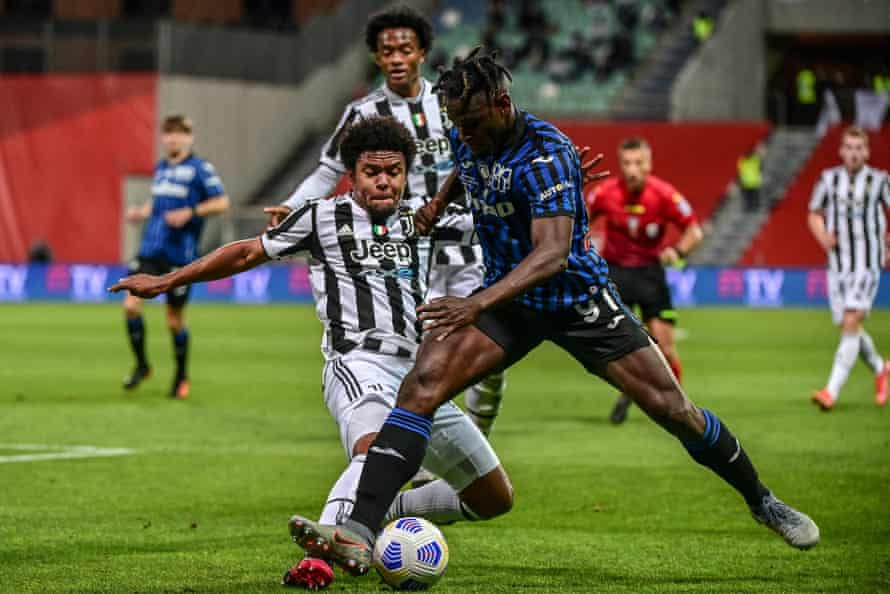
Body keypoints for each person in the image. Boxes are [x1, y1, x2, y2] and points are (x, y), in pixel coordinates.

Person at [284, 48, 820, 577]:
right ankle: (359, 530)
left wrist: (473, 304)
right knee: (421, 385)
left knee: (673, 409)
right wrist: (436, 206)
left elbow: (551, 256)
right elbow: (464, 167)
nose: (462, 134)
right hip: (511, 304)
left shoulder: (546, 154)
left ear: (501, 101)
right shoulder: (468, 132)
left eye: (470, 123)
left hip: (575, 302)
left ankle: (763, 500)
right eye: (455, 125)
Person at [110, 116, 514, 590]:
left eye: (394, 171)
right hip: (357, 363)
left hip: (421, 376)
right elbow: (245, 253)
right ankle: (320, 559)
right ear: (352, 174)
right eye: (371, 171)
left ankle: (389, 504)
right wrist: (168, 279)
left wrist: (557, 188)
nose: (384, 181)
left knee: (493, 497)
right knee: (372, 449)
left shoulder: (421, 218)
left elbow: (502, 218)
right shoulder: (321, 217)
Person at [263, 4, 507, 439]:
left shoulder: (449, 102)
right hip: (412, 250)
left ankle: (476, 438)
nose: (395, 58)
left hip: (471, 246)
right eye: (386, 50)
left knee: (487, 358)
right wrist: (293, 205)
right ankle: (413, 450)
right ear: (376, 57)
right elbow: (328, 170)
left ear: (422, 52)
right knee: (425, 358)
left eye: (404, 49)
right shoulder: (363, 113)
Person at [585, 137, 704, 424]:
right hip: (616, 275)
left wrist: (677, 251)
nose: (632, 169)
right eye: (626, 163)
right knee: (618, 350)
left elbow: (694, 232)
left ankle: (676, 404)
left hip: (650, 274)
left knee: (664, 346)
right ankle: (632, 391)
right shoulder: (604, 193)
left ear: (649, 164)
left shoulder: (664, 195)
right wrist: (585, 249)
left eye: (638, 163)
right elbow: (578, 221)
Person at [121, 114, 230, 399]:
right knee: (131, 306)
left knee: (173, 320)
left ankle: (181, 375)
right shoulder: (161, 168)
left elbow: (221, 202)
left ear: (189, 137)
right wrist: (141, 213)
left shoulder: (200, 169)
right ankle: (143, 365)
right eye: (169, 133)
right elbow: (157, 204)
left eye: (180, 133)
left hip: (179, 255)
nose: (173, 138)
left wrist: (191, 212)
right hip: (149, 250)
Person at [808, 125, 890, 410]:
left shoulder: (879, 180)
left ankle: (830, 392)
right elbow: (814, 214)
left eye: (859, 148)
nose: (854, 154)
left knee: (852, 321)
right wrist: (823, 236)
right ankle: (881, 368)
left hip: (867, 264)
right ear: (842, 151)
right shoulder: (829, 180)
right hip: (838, 266)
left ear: (866, 152)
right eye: (850, 148)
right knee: (848, 326)